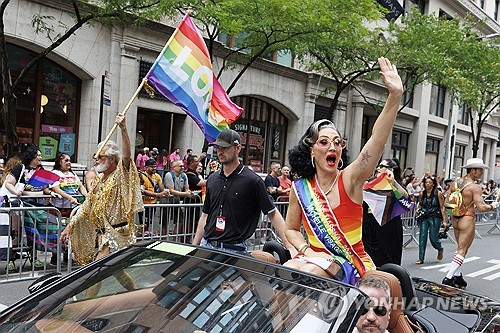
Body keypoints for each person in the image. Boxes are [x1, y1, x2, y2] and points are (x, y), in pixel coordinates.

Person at [283, 57, 403, 284]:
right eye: (324, 142)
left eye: (338, 142)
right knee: (286, 270)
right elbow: (290, 229)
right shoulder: (299, 189)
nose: (333, 147)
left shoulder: (350, 179)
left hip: (351, 267)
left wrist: (394, 97)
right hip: (314, 261)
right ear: (311, 149)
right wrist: (306, 251)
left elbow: (377, 140)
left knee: (308, 274)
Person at [193, 129, 293, 255]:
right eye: (218, 147)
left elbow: (272, 213)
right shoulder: (212, 179)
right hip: (206, 245)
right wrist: (194, 246)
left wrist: (289, 246)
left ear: (238, 148)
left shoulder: (253, 181)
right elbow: (205, 215)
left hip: (234, 249)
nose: (220, 151)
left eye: (225, 147)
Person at [61, 115, 144, 266]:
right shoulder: (98, 180)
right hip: (103, 234)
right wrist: (69, 227)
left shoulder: (119, 176)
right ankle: (135, 290)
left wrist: (123, 128)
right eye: (96, 156)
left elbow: (126, 157)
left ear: (112, 159)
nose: (96, 160)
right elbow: (86, 208)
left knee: (95, 272)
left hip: (118, 233)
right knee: (121, 276)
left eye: (101, 157)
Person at [442, 158, 498, 289]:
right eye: (480, 170)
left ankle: (458, 276)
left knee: (460, 248)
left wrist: (446, 218)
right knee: (463, 249)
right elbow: (482, 207)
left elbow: (446, 202)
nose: (481, 173)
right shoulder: (474, 187)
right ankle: (448, 278)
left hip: (455, 217)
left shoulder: (455, 183)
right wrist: (493, 206)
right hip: (467, 217)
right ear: (472, 170)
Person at [362, 158, 409, 267]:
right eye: (379, 165)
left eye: (382, 166)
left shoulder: (395, 185)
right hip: (369, 226)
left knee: (388, 261)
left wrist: (392, 181)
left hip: (388, 228)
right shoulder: (370, 183)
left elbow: (405, 198)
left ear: (391, 170)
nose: (378, 168)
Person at [50, 152, 89, 265]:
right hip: (58, 209)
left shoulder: (72, 174)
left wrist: (87, 196)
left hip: (71, 209)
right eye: (66, 160)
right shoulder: (54, 173)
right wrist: (69, 197)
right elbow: (55, 188)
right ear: (59, 162)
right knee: (58, 232)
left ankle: (67, 257)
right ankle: (55, 257)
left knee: (70, 232)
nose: (69, 162)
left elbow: (81, 186)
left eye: (69, 160)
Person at [415, 176, 447, 265]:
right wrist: (418, 209)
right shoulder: (422, 193)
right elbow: (420, 204)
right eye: (426, 182)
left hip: (435, 217)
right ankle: (421, 258)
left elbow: (442, 207)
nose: (427, 184)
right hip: (424, 216)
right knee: (422, 236)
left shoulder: (438, 193)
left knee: (433, 238)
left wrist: (444, 221)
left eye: (429, 182)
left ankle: (440, 248)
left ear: (433, 184)